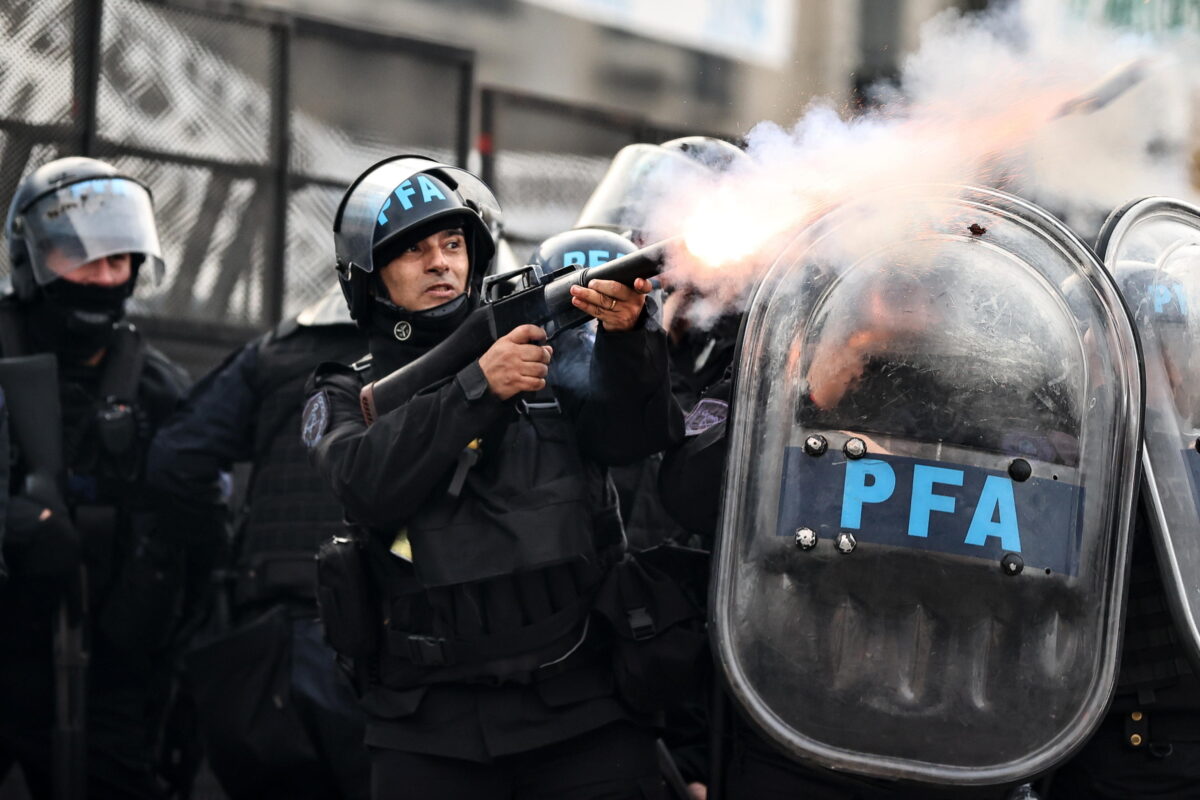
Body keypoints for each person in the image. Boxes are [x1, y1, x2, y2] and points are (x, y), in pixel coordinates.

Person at [304, 155, 681, 799]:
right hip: (426, 727)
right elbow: (363, 483)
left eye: (453, 243)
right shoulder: (344, 389)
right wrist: (478, 387)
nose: (441, 263)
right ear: (368, 278)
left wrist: (627, 341)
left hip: (584, 709)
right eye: (414, 250)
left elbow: (633, 440)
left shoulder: (546, 351)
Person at [0, 156, 195, 799]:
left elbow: (198, 529)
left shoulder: (157, 386)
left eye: (118, 262)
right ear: (34, 263)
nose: (103, 278)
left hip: (110, 671)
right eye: (81, 261)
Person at [145, 282, 370, 800]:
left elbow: (176, 460)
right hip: (383, 649)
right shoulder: (450, 352)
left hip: (265, 644)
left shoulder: (275, 352)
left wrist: (225, 547)